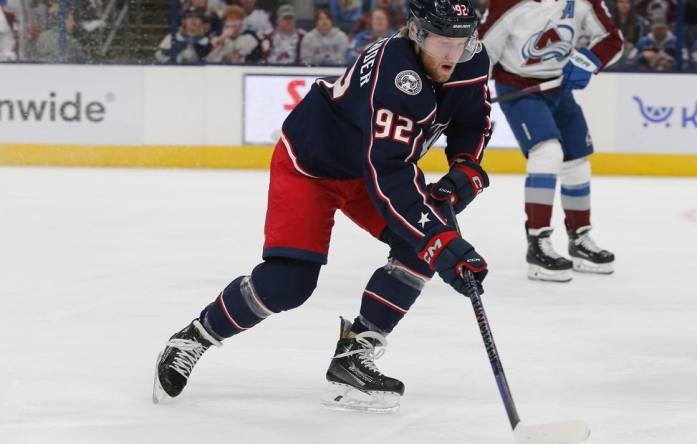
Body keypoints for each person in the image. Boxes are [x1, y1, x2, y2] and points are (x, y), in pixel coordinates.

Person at [153, 0, 492, 413]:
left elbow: (473, 119)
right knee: (288, 283)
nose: (454, 54)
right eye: (443, 41)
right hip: (312, 165)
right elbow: (389, 176)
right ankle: (194, 337)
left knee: (420, 248)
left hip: (369, 167)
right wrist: (442, 240)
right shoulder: (396, 77)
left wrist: (466, 165)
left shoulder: (471, 57)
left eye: (463, 40)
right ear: (418, 33)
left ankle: (353, 356)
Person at [480, 0, 622, 282]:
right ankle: (537, 243)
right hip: (520, 88)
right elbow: (481, 52)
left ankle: (579, 238)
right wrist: (472, 94)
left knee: (577, 161)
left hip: (559, 86)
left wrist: (586, 61)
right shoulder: (507, 4)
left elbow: (611, 39)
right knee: (547, 153)